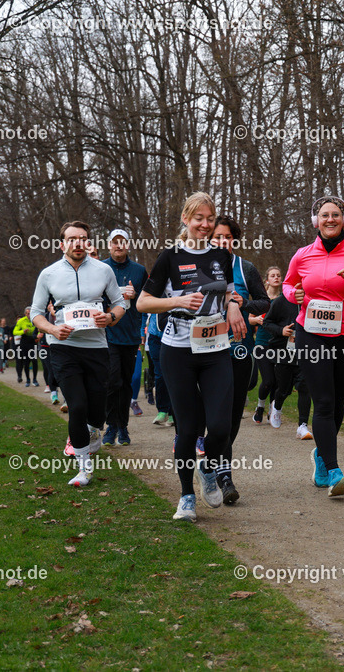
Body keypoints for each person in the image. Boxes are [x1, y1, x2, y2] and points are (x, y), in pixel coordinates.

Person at [136, 192, 245, 522]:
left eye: (210, 219)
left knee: (221, 427)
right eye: (199, 218)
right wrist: (177, 302)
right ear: (186, 219)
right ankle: (186, 497)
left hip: (215, 348)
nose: (205, 224)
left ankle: (207, 469)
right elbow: (142, 303)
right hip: (178, 351)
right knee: (187, 428)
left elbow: (229, 293)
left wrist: (234, 306)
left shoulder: (222, 255)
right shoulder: (169, 257)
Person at [284, 195, 344, 497]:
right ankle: (334, 469)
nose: (330, 219)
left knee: (338, 402)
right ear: (316, 221)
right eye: (324, 215)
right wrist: (292, 295)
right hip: (311, 334)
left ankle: (321, 457)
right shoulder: (302, 255)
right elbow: (288, 284)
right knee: (324, 402)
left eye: (336, 215)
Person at [30, 220, 126, 487]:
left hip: (96, 348)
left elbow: (120, 304)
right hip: (63, 348)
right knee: (77, 406)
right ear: (62, 244)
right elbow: (36, 312)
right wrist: (52, 329)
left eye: (82, 238)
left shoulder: (103, 270)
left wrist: (110, 317)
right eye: (72, 239)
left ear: (88, 242)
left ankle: (94, 432)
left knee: (97, 412)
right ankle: (84, 468)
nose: (77, 243)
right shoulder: (48, 274)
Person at [210, 216, 271, 504]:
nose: (222, 242)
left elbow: (264, 302)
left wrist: (242, 303)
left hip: (238, 351)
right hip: (205, 352)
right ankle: (214, 462)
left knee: (232, 416)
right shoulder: (196, 266)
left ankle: (222, 473)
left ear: (234, 239)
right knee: (212, 416)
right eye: (217, 237)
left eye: (227, 237)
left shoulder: (245, 268)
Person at [101, 229, 149, 447]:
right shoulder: (100, 268)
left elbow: (147, 301)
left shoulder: (139, 271)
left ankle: (123, 426)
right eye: (114, 242)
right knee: (112, 381)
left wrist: (135, 296)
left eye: (122, 242)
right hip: (107, 334)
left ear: (128, 245)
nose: (118, 246)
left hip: (130, 334)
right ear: (109, 245)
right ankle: (111, 426)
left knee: (126, 383)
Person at [261, 282, 313, 440]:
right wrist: (281, 330)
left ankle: (302, 426)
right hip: (283, 352)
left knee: (304, 387)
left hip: (306, 352)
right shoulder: (280, 301)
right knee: (284, 389)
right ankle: (276, 406)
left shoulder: (313, 300)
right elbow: (267, 322)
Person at [251, 266, 283, 424]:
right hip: (262, 344)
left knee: (277, 381)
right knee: (268, 380)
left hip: (279, 344)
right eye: (273, 275)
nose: (276, 277)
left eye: (278, 275)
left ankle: (273, 410)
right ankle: (260, 406)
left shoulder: (284, 299)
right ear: (267, 280)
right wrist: (256, 320)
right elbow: (249, 319)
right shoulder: (261, 300)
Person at [13, 308, 39, 386]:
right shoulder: (21, 321)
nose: (29, 315)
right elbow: (15, 332)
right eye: (28, 313)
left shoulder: (35, 319)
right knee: (26, 362)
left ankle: (35, 379)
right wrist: (22, 331)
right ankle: (28, 379)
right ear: (25, 314)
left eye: (30, 313)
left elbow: (40, 329)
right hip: (24, 341)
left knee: (34, 361)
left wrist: (38, 336)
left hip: (33, 341)